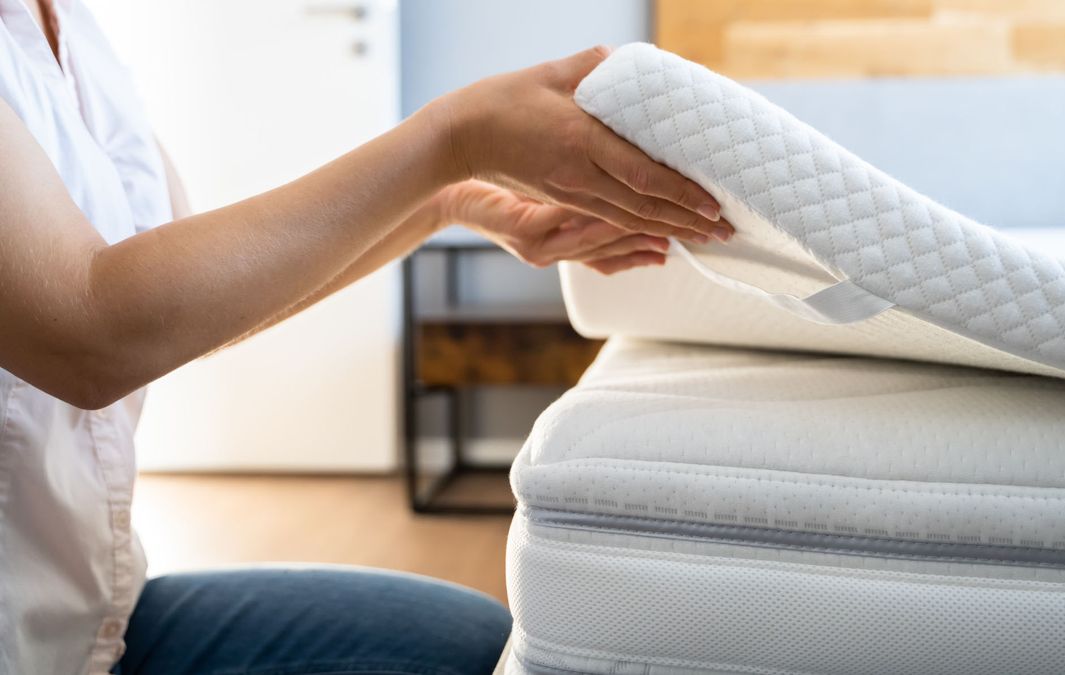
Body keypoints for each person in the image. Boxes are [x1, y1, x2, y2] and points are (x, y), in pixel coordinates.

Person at [0, 0, 733, 673]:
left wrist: (449, 201)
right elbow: (93, 332)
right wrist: (454, 139)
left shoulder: (72, 32)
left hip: (95, 619)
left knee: (477, 645)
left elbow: (177, 302)